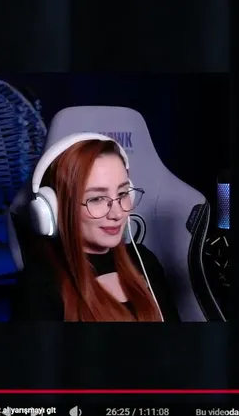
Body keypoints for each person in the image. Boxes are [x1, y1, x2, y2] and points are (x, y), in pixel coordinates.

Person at [10, 135, 179, 322]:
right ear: (55, 209)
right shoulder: (40, 284)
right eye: (97, 199)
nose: (118, 213)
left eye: (123, 193)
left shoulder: (143, 261)